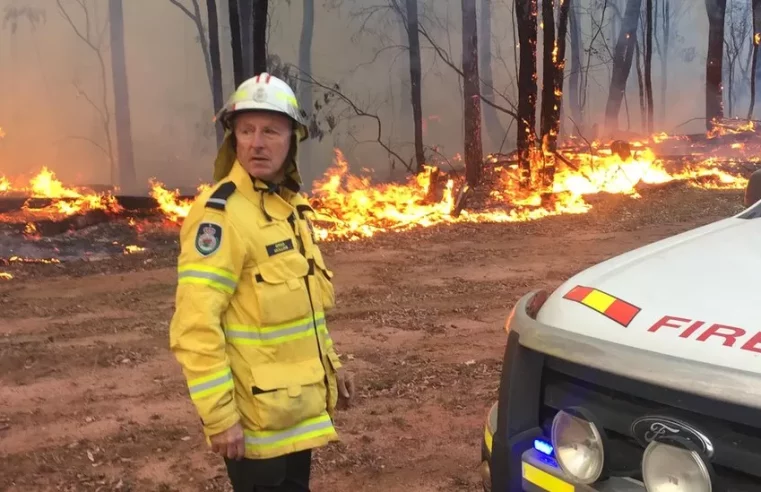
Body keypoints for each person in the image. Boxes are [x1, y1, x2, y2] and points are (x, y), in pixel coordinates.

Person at [169, 73, 355, 492]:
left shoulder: (290, 209)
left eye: (270, 130)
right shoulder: (220, 216)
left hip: (294, 409)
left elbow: (303, 306)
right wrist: (220, 417)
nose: (257, 142)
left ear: (292, 138)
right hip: (252, 425)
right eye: (246, 130)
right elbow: (195, 327)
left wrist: (332, 365)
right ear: (233, 139)